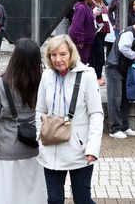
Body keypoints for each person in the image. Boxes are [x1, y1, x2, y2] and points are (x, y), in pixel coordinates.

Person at [36, 35, 104, 204]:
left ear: (71, 53)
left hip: (79, 151)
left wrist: (92, 148)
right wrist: (39, 138)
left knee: (82, 200)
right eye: (53, 55)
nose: (58, 59)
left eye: (62, 54)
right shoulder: (46, 76)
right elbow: (39, 110)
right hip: (50, 150)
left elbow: (96, 114)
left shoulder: (87, 75)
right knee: (54, 199)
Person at [0, 38, 47, 204]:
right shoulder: (43, 81)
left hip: (7, 146)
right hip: (35, 144)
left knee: (7, 192)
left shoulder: (1, 83)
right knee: (34, 191)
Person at [89, 0, 111, 86]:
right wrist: (95, 13)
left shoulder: (101, 3)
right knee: (98, 53)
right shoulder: (91, 4)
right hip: (96, 31)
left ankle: (98, 75)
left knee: (100, 53)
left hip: (103, 31)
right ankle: (97, 76)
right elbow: (91, 15)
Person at [68, 0, 96, 64]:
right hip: (81, 41)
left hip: (86, 40)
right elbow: (78, 25)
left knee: (83, 60)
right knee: (80, 61)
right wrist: (80, 41)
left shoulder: (86, 7)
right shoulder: (81, 8)